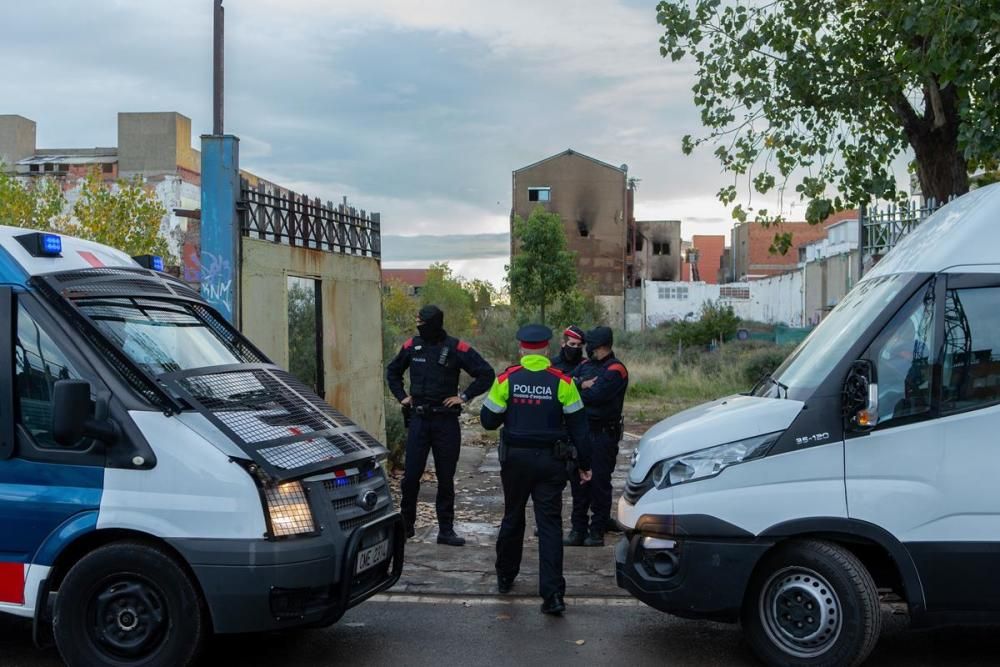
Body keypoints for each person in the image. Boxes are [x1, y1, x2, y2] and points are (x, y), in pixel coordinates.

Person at [481, 324, 592, 615]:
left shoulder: (507, 379)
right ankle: (553, 596)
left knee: (513, 516)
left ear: (521, 349)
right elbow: (580, 428)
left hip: (515, 462)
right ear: (546, 349)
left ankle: (505, 577)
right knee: (550, 526)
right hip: (551, 463)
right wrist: (585, 465)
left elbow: (488, 421)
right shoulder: (563, 382)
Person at [386, 305, 495, 546]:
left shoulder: (456, 347)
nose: (418, 324)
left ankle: (446, 530)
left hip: (446, 421)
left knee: (446, 478)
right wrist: (402, 397)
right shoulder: (411, 346)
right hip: (419, 420)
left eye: (421, 320)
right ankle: (406, 526)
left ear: (433, 323)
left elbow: (486, 373)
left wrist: (464, 397)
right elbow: (392, 371)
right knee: (411, 476)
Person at [565, 326, 628, 547]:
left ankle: (597, 530)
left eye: (590, 344)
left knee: (599, 483)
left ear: (600, 346)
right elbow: (563, 384)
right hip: (581, 433)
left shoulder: (616, 369)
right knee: (578, 482)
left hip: (603, 435)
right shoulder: (584, 365)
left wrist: (579, 390)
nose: (586, 347)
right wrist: (582, 383)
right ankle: (577, 529)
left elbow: (598, 396)